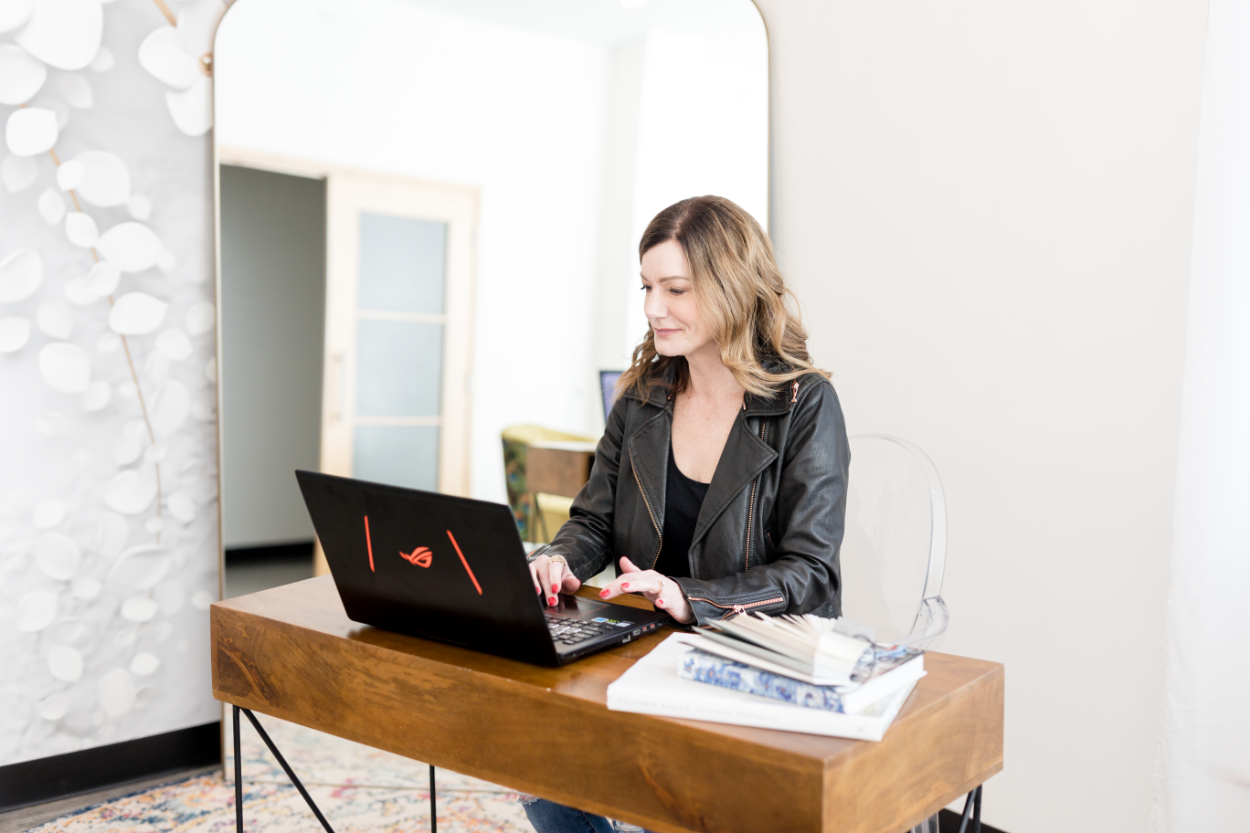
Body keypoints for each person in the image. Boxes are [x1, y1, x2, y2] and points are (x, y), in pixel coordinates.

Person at [520, 195, 850, 833]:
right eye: (647, 287)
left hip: (748, 659)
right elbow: (594, 521)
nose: (652, 308)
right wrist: (558, 558)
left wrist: (688, 595)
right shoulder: (642, 395)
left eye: (675, 289)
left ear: (733, 287)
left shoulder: (804, 404)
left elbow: (812, 574)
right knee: (536, 751)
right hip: (647, 648)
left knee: (657, 794)